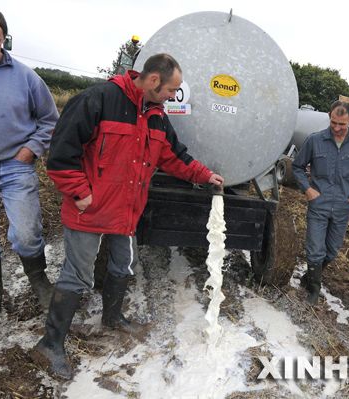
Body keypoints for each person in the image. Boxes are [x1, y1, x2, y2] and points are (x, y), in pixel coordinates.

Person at [30, 53, 224, 380]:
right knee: (77, 277)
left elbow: (175, 157)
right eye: (170, 90)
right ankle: (50, 345)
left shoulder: (157, 117)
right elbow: (62, 151)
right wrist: (80, 192)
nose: (173, 97)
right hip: (88, 209)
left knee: (124, 265)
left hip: (127, 209)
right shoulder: (98, 100)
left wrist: (205, 176)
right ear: (152, 81)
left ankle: (113, 317)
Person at [0, 2, 58, 334]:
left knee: (26, 234)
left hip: (15, 167)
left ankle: (40, 285)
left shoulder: (26, 77)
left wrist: (29, 151)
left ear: (5, 40)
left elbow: (49, 121)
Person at [292, 101, 349, 305]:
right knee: (315, 249)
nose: (336, 128)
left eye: (342, 124)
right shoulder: (315, 140)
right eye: (333, 122)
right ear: (329, 117)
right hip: (319, 203)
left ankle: (310, 276)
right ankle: (314, 290)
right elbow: (298, 166)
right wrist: (308, 190)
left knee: (332, 250)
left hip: (343, 206)